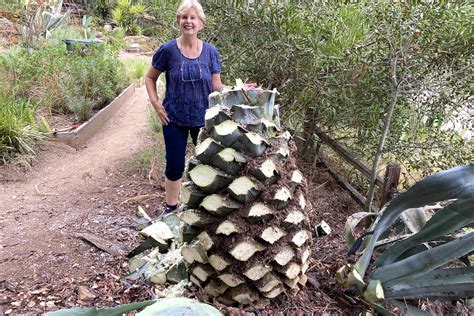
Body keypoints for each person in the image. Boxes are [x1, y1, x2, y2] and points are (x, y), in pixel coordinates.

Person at [145, 0, 223, 217]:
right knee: (175, 165)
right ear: (178, 21)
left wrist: (240, 88)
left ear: (201, 23)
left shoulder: (210, 52)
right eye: (184, 17)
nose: (188, 22)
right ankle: (171, 208)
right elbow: (150, 77)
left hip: (204, 118)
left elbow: (216, 86)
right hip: (174, 118)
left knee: (207, 165)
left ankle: (204, 208)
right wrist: (155, 103)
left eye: (193, 18)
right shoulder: (168, 50)